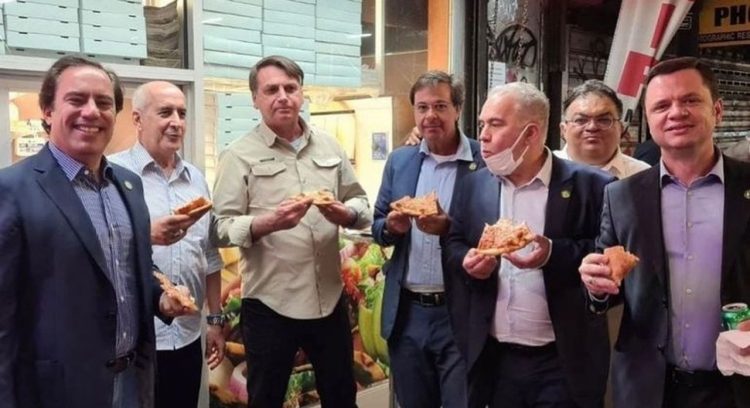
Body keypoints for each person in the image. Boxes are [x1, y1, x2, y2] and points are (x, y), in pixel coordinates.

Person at [0, 56, 191, 408]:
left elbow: (133, 268)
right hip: (57, 391)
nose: (91, 111)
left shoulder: (128, 185)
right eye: (76, 100)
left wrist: (160, 298)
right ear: (47, 111)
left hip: (133, 381)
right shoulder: (11, 189)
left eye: (103, 103)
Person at [579, 57, 750, 408]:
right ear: (649, 121)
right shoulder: (621, 195)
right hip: (649, 388)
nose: (676, 112)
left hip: (736, 387)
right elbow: (608, 287)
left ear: (717, 111)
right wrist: (595, 285)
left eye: (690, 100)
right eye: (661, 105)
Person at [211, 55, 372, 407]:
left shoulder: (330, 147)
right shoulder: (237, 155)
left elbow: (361, 204)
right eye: (271, 90)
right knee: (266, 399)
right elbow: (219, 228)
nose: (282, 96)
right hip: (271, 304)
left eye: (290, 88)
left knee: (342, 397)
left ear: (302, 94)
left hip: (328, 300)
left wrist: (345, 213)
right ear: (255, 99)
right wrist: (268, 223)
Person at [444, 81, 614, 408]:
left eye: (495, 124)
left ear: (531, 133)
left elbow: (607, 257)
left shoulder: (594, 186)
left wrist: (552, 252)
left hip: (563, 361)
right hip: (494, 358)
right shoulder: (473, 183)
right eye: (481, 125)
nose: (483, 136)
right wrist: (467, 261)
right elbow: (452, 241)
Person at [109, 81, 225, 408]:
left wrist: (214, 321)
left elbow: (210, 256)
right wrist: (146, 232)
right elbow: (99, 248)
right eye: (165, 112)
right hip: (135, 340)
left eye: (182, 113)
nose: (176, 121)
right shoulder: (113, 175)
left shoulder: (196, 180)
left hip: (187, 336)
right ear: (137, 119)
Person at [372, 71, 483, 407]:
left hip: (459, 311)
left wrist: (448, 228)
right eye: (422, 108)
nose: (430, 116)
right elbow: (377, 224)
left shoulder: (484, 162)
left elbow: (495, 233)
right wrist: (392, 227)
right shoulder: (400, 160)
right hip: (408, 313)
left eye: (439, 106)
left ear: (457, 109)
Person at [555, 79, 650, 179]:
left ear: (621, 128)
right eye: (581, 120)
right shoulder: (544, 169)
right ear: (563, 130)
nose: (592, 127)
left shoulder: (643, 174)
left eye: (604, 120)